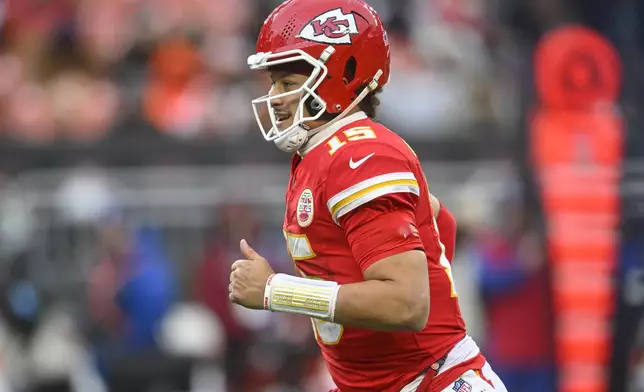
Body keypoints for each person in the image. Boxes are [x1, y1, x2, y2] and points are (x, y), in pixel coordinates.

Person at [228, 0, 507, 391]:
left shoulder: (358, 157)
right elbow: (441, 231)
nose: (275, 97)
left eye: (288, 84)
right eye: (275, 82)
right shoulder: (329, 152)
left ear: (343, 76)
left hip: (429, 380)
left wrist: (278, 291)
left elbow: (407, 303)